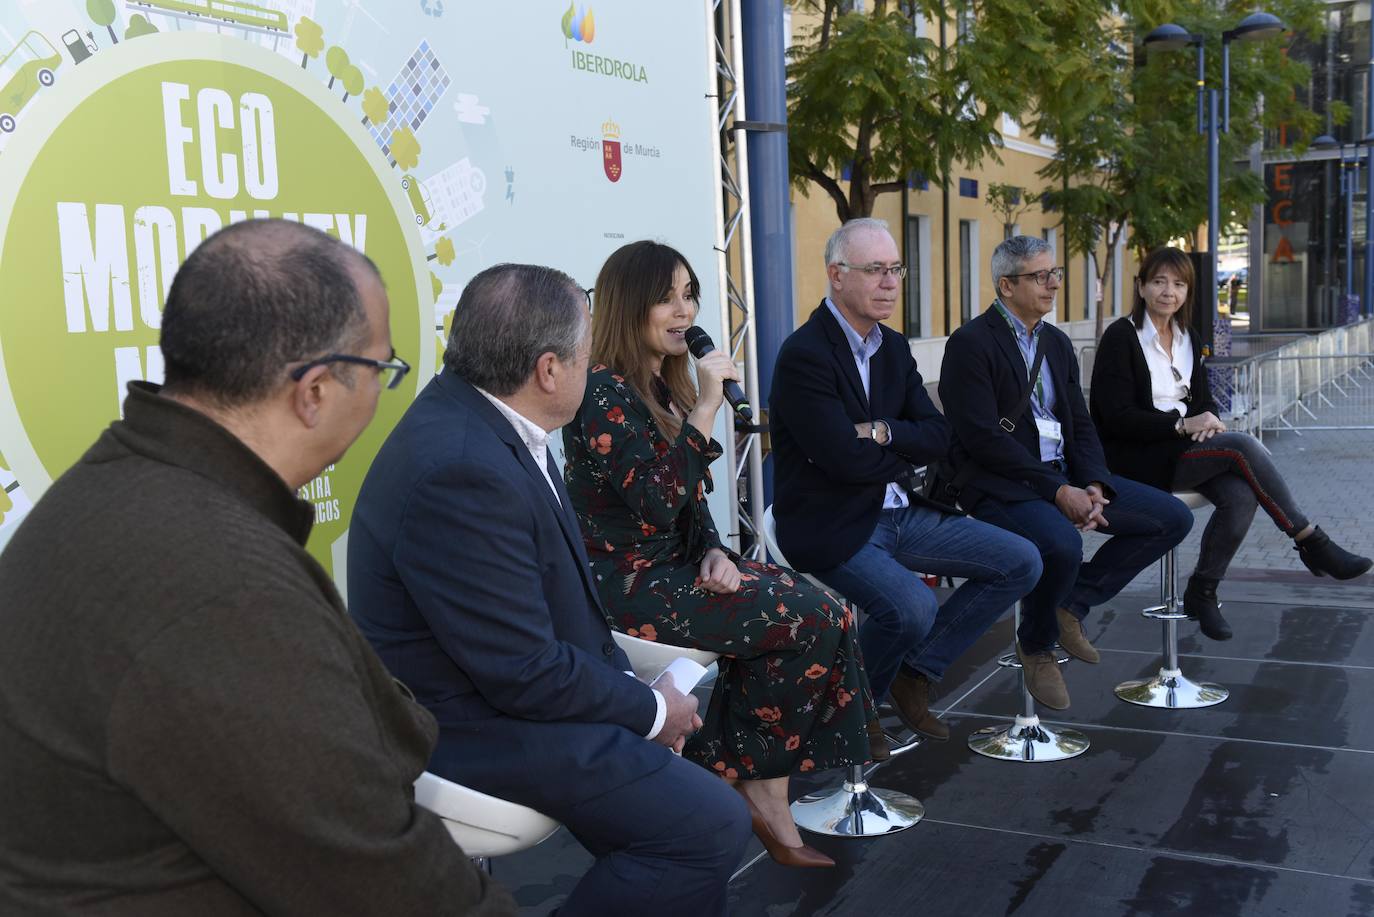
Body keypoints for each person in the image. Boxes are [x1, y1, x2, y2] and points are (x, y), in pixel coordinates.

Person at [0, 220, 514, 916]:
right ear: (316, 391)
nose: (379, 397)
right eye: (382, 370)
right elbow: (388, 884)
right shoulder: (219, 585)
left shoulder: (125, 483)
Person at [348, 262, 750, 916]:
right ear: (548, 370)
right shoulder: (460, 466)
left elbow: (550, 620)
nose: (592, 370)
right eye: (588, 356)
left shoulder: (490, 423)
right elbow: (523, 670)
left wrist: (640, 697)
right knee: (707, 827)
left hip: (508, 698)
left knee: (693, 806)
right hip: (467, 725)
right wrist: (650, 712)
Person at [562, 239, 873, 870]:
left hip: (675, 566)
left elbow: (690, 501)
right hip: (623, 582)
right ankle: (751, 783)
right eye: (666, 297)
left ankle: (745, 776)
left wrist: (713, 550)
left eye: (690, 294)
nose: (685, 311)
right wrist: (706, 405)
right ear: (630, 306)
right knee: (802, 619)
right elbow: (653, 500)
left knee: (831, 609)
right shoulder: (599, 390)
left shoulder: (658, 383)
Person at [769, 218, 1042, 741]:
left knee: (1021, 561)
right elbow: (841, 461)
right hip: (834, 522)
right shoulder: (805, 354)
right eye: (875, 270)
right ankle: (849, 721)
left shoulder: (893, 346)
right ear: (836, 275)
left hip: (903, 511)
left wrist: (880, 432)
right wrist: (902, 450)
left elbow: (941, 434)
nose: (891, 282)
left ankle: (915, 671)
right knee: (912, 607)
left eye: (895, 268)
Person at [940, 235, 1194, 710]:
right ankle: (1037, 646)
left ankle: (1069, 604)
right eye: (1041, 276)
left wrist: (1095, 483)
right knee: (1061, 543)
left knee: (1172, 519)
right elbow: (982, 441)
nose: (1053, 284)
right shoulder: (970, 343)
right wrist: (1060, 492)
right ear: (1006, 285)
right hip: (997, 484)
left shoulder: (1055, 342)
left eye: (1055, 273)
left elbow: (1079, 422)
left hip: (1060, 476)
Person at [1090, 246, 1371, 638]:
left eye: (1178, 283)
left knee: (1241, 494)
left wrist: (1207, 423)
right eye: (1158, 281)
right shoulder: (1122, 337)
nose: (1168, 291)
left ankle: (1203, 589)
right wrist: (1183, 426)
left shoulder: (1188, 336)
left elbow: (1203, 403)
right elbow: (1115, 417)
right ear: (1140, 287)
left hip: (1180, 451)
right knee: (1240, 446)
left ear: (1187, 292)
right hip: (1136, 457)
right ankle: (1311, 541)